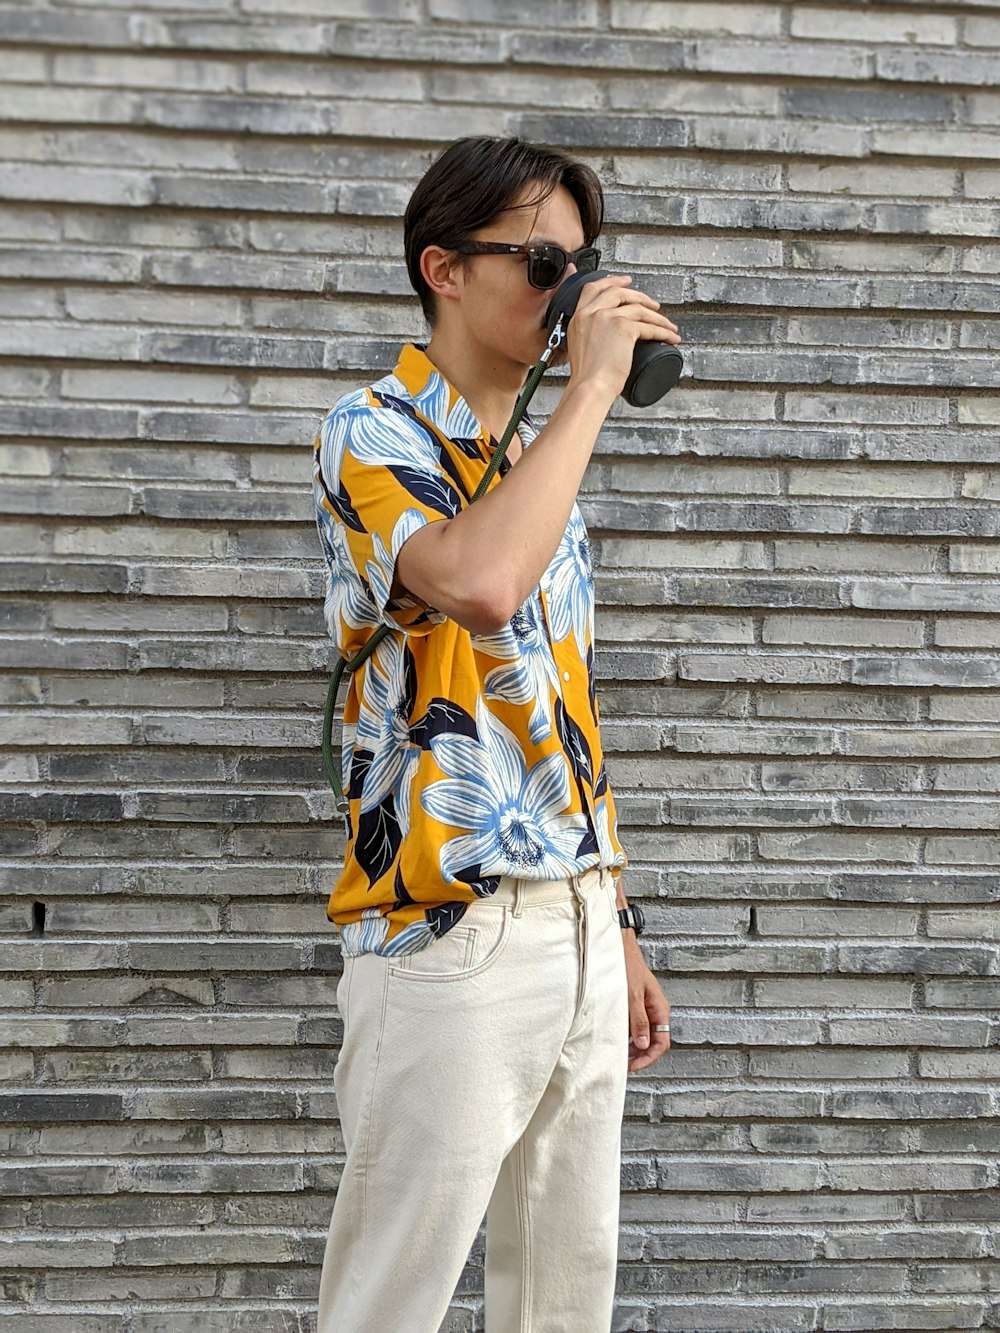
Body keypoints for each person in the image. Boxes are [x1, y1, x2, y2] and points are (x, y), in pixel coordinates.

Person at [311, 135, 680, 1333]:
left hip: (569, 917)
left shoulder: (537, 460)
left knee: (563, 1301)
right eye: (538, 261)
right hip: (446, 925)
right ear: (443, 268)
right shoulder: (370, 431)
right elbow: (476, 583)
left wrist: (613, 917)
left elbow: (565, 703)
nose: (565, 293)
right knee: (390, 1299)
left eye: (580, 266)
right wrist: (587, 390)